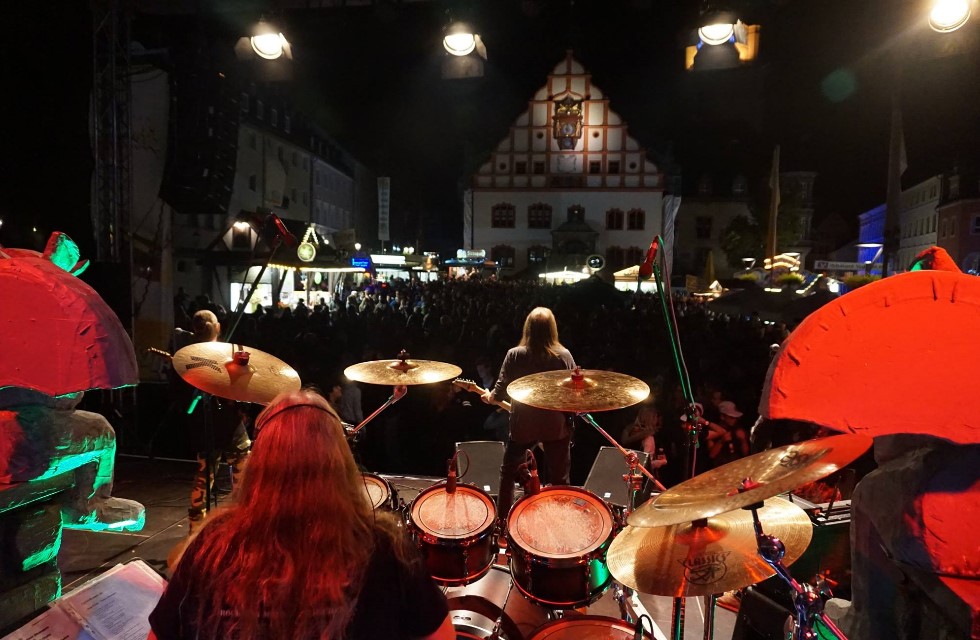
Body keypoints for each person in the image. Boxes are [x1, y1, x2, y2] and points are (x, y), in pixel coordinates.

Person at [148, 390, 454, 640]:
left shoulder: (213, 547)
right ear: (340, 463)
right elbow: (441, 637)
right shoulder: (385, 548)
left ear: (259, 465)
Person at [482, 307, 575, 517]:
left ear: (528, 328)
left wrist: (489, 398)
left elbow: (498, 393)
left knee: (508, 474)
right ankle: (564, 522)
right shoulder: (564, 356)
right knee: (560, 479)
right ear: (553, 329)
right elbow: (573, 392)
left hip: (523, 425)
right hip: (555, 425)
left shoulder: (514, 355)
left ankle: (503, 524)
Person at [182, 310, 251, 531]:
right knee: (243, 472)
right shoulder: (225, 355)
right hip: (228, 423)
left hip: (204, 422)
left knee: (204, 475)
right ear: (218, 328)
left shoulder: (186, 355)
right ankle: (243, 523)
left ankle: (195, 529)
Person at [705, 400, 749, 468]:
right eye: (731, 417)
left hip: (738, 467)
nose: (734, 420)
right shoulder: (713, 431)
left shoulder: (737, 429)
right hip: (720, 469)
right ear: (722, 417)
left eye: (735, 418)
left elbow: (745, 454)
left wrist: (743, 440)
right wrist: (721, 441)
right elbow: (711, 455)